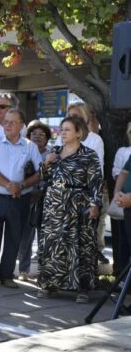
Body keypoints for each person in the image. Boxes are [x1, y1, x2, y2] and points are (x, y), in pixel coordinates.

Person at [37, 116, 102, 303]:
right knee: (53, 244)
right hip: (54, 206)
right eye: (61, 129)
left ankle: (82, 288)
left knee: (80, 245)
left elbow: (96, 182)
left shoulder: (88, 155)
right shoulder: (54, 152)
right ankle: (50, 284)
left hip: (77, 205)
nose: (62, 133)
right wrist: (46, 163)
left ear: (79, 133)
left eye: (67, 129)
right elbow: (43, 177)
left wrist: (94, 204)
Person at [0, 109, 41, 289]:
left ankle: (6, 275)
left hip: (19, 199)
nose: (8, 125)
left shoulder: (30, 146)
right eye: (6, 122)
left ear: (22, 125)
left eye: (12, 122)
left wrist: (21, 185)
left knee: (13, 239)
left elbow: (39, 172)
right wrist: (9, 185)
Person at [55, 102, 108, 264]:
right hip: (61, 198)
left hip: (83, 197)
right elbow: (52, 171)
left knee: (82, 242)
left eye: (77, 116)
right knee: (62, 241)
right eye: (70, 116)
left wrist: (94, 202)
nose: (73, 119)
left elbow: (96, 175)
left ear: (85, 119)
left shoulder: (95, 140)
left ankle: (80, 282)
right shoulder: (60, 138)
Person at [16, 120, 51, 282]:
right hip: (27, 197)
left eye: (41, 135)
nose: (37, 137)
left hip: (47, 199)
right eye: (33, 134)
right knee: (25, 236)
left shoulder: (52, 154)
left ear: (47, 138)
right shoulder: (24, 151)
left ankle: (44, 272)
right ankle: (24, 269)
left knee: (45, 236)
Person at [111, 122, 131, 275]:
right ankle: (125, 283)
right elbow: (123, 172)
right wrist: (118, 192)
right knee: (125, 243)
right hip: (126, 206)